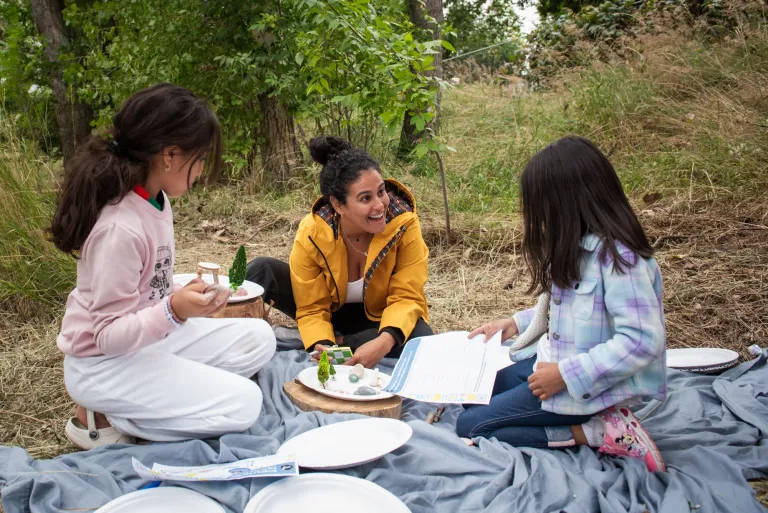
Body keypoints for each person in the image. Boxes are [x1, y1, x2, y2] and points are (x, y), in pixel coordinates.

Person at [50, 84, 276, 449]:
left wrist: (180, 295)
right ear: (169, 155)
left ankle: (161, 395)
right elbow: (108, 335)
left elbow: (148, 286)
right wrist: (173, 310)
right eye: (200, 159)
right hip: (104, 364)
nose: (202, 170)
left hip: (148, 342)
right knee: (244, 405)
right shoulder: (119, 229)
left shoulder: (157, 201)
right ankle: (107, 416)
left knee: (260, 338)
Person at [456, 135, 667, 472]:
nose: (537, 218)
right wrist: (515, 324)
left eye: (540, 207)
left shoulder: (620, 261)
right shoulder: (578, 246)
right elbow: (568, 310)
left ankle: (597, 431)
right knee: (471, 394)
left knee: (471, 426)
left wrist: (566, 376)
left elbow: (642, 342)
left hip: (586, 387)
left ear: (565, 203)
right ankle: (596, 420)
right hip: (554, 365)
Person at [246, 136, 432, 368]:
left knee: (421, 336)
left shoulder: (404, 224)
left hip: (378, 319)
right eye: (365, 198)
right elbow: (311, 305)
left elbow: (407, 295)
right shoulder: (314, 231)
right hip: (329, 309)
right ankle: (234, 337)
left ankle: (333, 342)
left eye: (381, 191)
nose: (380, 205)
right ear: (338, 205)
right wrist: (321, 341)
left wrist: (384, 342)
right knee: (261, 269)